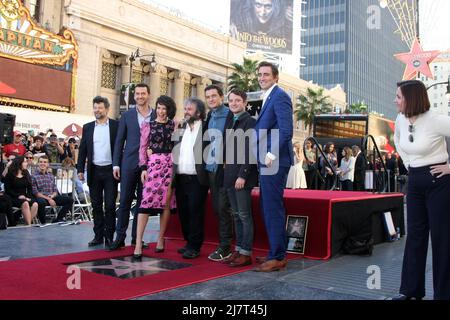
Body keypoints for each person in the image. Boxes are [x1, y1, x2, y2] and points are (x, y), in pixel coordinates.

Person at [392, 80, 450, 300]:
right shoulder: (400, 119)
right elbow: (398, 141)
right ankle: (410, 291)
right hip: (414, 180)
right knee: (415, 236)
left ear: (411, 98)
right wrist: (409, 163)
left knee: (442, 239)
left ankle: (444, 294)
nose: (395, 100)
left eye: (398, 96)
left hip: (439, 182)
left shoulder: (435, 120)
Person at [253, 61, 294, 272]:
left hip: (275, 161)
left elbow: (286, 131)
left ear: (276, 77)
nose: (262, 77)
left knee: (272, 207)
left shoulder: (280, 96)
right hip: (268, 161)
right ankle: (274, 252)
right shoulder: (268, 96)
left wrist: (270, 155)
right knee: (268, 207)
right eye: (259, 74)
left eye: (266, 74)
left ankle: (278, 256)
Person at [109, 83, 156, 251]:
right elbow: (119, 141)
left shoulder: (157, 115)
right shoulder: (127, 115)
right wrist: (116, 164)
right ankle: (119, 237)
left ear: (148, 95)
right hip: (128, 164)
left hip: (149, 166)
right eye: (137, 94)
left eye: (143, 93)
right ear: (134, 96)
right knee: (124, 203)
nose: (140, 96)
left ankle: (137, 239)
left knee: (143, 205)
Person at [133, 96, 177, 259]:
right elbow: (143, 148)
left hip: (170, 166)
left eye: (164, 108)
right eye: (159, 108)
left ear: (169, 110)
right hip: (152, 167)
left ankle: (160, 239)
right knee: (145, 204)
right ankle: (138, 242)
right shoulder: (148, 125)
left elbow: (177, 145)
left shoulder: (175, 125)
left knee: (166, 203)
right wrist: (143, 167)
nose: (161, 111)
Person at [222, 89, 258, 267]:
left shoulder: (250, 122)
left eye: (237, 100)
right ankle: (238, 250)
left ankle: (246, 253)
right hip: (229, 175)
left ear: (244, 102)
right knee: (235, 215)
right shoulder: (230, 121)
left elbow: (251, 150)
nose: (234, 103)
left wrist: (242, 175)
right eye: (231, 100)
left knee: (244, 215)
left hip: (242, 176)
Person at [77, 96, 119, 247]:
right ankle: (98, 236)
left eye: (100, 107)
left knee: (109, 205)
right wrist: (80, 169)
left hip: (110, 171)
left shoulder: (116, 125)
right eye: (95, 107)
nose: (97, 110)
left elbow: (120, 147)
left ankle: (109, 236)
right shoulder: (87, 127)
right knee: (96, 205)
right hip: (94, 171)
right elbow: (83, 150)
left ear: (107, 109)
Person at [172, 98, 209, 259]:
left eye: (190, 109)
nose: (186, 111)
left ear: (199, 112)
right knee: (184, 212)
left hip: (197, 179)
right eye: (185, 108)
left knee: (195, 212)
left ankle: (195, 246)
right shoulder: (181, 128)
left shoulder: (206, 129)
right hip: (180, 178)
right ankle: (188, 242)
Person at [204, 84, 234, 262]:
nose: (211, 99)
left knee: (223, 208)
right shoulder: (210, 115)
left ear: (221, 97)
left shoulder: (230, 114)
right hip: (211, 169)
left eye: (214, 96)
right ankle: (224, 244)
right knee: (217, 207)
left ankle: (225, 247)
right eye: (208, 97)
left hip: (224, 169)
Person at [32, 155, 74, 224]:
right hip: (41, 197)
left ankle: (58, 219)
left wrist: (52, 196)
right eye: (41, 162)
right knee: (41, 202)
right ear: (38, 163)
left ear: (48, 164)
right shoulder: (33, 176)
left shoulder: (51, 176)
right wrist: (49, 199)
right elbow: (36, 192)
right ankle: (43, 223)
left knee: (70, 200)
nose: (42, 164)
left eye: (45, 162)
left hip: (51, 197)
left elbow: (55, 190)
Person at [3, 156, 39, 225]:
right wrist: (18, 196)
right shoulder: (10, 174)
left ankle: (28, 223)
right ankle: (29, 226)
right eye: (25, 162)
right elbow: (8, 190)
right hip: (13, 197)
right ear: (19, 163)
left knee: (35, 204)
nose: (27, 163)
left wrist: (28, 197)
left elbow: (29, 188)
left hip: (24, 197)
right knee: (25, 203)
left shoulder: (26, 173)